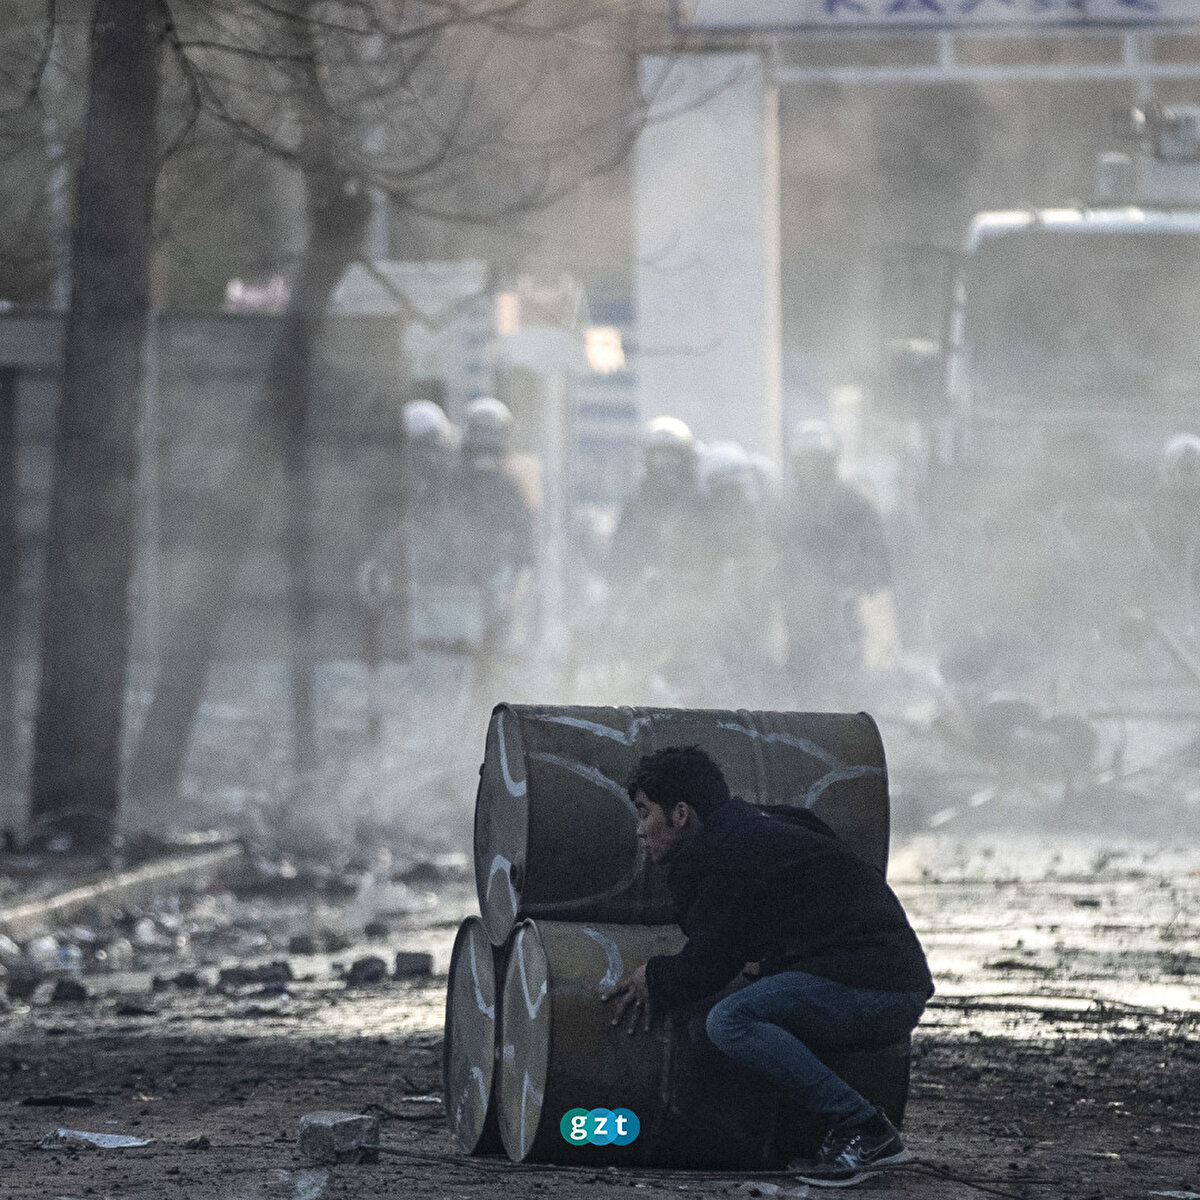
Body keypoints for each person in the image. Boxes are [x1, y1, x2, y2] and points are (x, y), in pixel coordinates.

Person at [603, 746, 933, 1188]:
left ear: (680, 814)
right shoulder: (765, 825)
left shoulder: (732, 854)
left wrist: (653, 976)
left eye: (645, 813)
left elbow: (709, 964)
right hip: (877, 978)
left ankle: (866, 1130)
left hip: (877, 988)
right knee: (707, 1030)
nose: (639, 829)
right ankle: (813, 1135)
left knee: (729, 1021)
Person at [773, 422, 900, 695]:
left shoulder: (856, 504)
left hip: (846, 612)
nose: (815, 468)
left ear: (833, 461)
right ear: (797, 464)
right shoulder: (786, 508)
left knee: (848, 684)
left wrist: (844, 578)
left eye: (821, 460)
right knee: (799, 684)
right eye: (808, 461)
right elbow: (774, 556)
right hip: (799, 616)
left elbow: (878, 561)